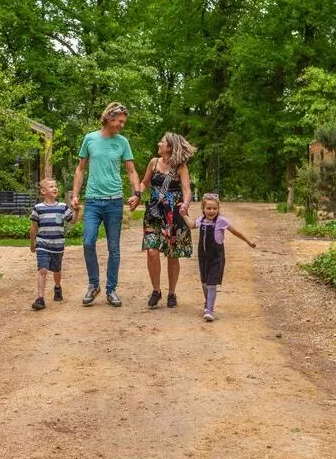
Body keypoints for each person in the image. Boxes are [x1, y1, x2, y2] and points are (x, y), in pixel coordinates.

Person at [71, 102, 142, 307]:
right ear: (109, 118)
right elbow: (80, 169)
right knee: (87, 241)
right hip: (93, 201)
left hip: (114, 202)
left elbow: (131, 170)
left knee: (114, 248)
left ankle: (111, 290)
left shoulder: (122, 142)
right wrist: (75, 195)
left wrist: (136, 193)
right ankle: (94, 285)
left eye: (123, 122)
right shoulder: (90, 139)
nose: (122, 125)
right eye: (120, 121)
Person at [138, 133, 196, 309]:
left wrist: (185, 204)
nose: (159, 143)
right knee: (151, 251)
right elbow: (144, 183)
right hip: (154, 213)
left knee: (172, 255)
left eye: (162, 142)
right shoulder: (153, 163)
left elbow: (186, 190)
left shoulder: (181, 166)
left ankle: (172, 292)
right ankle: (156, 291)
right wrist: (137, 194)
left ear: (169, 147)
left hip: (173, 215)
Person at [190, 193, 256, 322]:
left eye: (214, 208)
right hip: (203, 257)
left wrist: (248, 241)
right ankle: (207, 303)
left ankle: (210, 310)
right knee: (204, 282)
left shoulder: (221, 221)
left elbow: (236, 232)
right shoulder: (201, 220)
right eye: (208, 208)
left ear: (218, 208)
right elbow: (191, 225)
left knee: (211, 284)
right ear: (203, 208)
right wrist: (183, 214)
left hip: (216, 257)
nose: (211, 211)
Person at [29, 178, 78, 310]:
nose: (55, 188)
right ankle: (40, 299)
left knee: (57, 270)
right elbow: (34, 227)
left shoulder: (62, 207)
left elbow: (72, 221)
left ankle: (57, 287)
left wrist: (77, 211)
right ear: (43, 191)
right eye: (51, 186)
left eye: (55, 186)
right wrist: (32, 243)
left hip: (58, 245)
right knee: (43, 270)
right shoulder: (38, 208)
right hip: (42, 244)